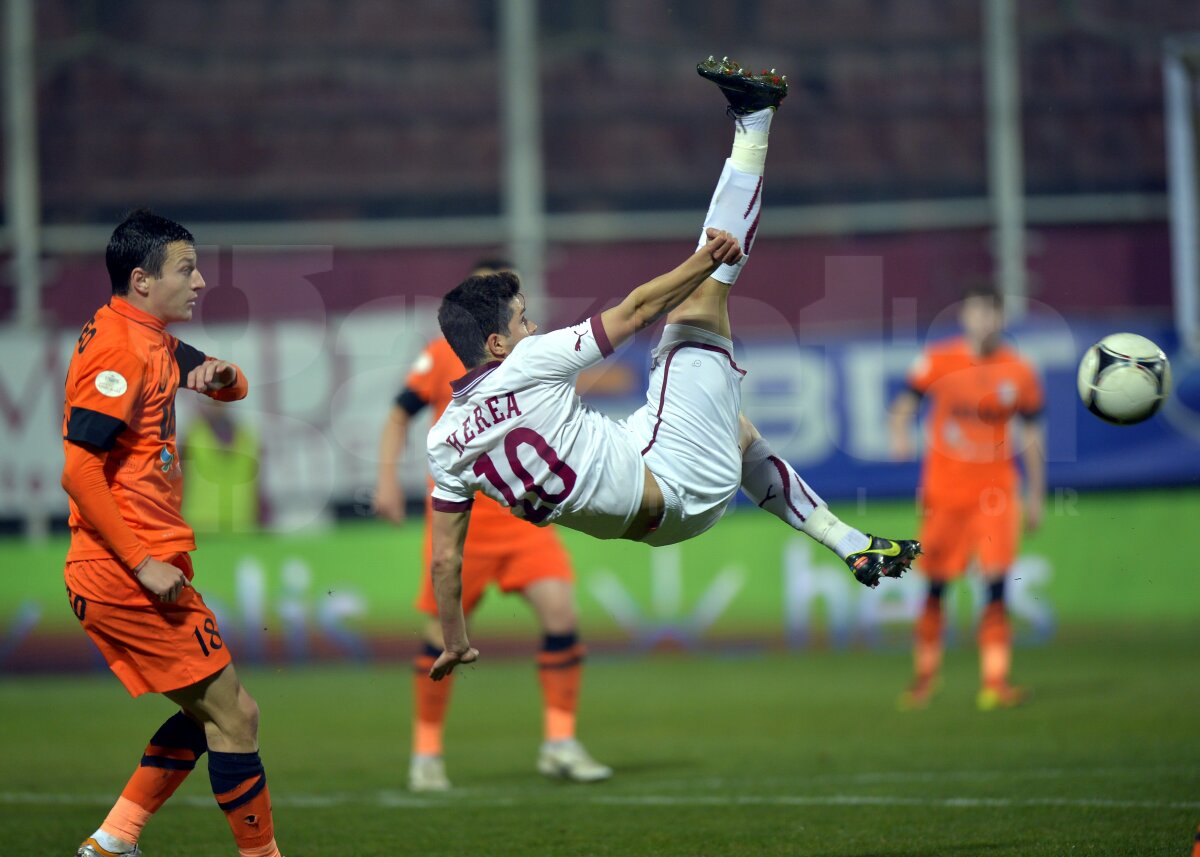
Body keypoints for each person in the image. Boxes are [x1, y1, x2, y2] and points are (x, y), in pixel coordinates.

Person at [424, 57, 921, 681]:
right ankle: (755, 119)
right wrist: (707, 258)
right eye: (522, 320)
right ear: (497, 344)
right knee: (700, 297)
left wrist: (454, 639)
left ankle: (848, 543)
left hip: (653, 514)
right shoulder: (526, 363)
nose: (532, 326)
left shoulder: (443, 443)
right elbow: (633, 313)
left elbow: (446, 560)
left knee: (733, 429)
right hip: (671, 474)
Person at [60, 210, 285, 857]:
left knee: (208, 712)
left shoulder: (146, 336)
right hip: (126, 572)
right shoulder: (120, 351)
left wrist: (222, 376)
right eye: (187, 268)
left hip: (134, 567)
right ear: (141, 279)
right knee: (236, 715)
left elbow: (226, 384)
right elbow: (78, 470)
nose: (202, 280)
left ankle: (114, 839)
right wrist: (141, 562)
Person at [374, 259, 611, 791]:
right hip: (463, 522)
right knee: (440, 637)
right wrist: (387, 480)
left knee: (560, 612)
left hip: (522, 516)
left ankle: (560, 742)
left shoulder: (532, 355)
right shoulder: (440, 357)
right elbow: (398, 414)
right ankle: (427, 754)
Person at [888, 282, 1045, 711]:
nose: (985, 320)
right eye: (978, 311)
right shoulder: (939, 360)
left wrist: (1036, 495)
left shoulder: (1019, 372)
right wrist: (899, 435)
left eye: (992, 312)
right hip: (945, 493)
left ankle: (995, 683)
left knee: (995, 584)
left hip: (996, 494)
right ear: (965, 317)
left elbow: (1032, 437)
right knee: (935, 587)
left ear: (1001, 319)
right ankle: (925, 679)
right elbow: (903, 405)